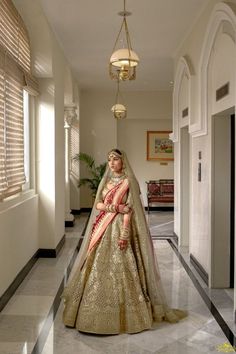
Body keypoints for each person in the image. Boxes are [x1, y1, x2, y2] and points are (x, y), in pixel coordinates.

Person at [61, 149, 187, 334]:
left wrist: (124, 233)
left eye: (115, 159)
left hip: (120, 226)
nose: (112, 163)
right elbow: (98, 204)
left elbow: (130, 210)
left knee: (123, 265)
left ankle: (127, 314)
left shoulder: (129, 182)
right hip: (104, 225)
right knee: (96, 266)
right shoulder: (106, 181)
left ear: (123, 161)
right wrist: (114, 207)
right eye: (109, 159)